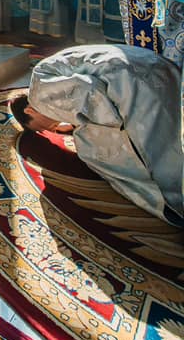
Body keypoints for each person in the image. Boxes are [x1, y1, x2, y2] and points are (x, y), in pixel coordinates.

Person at [10, 44, 184, 225]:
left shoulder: (38, 97)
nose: (50, 130)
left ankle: (171, 199)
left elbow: (94, 94)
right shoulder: (40, 76)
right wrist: (72, 120)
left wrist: (84, 134)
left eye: (40, 128)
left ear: (30, 111)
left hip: (137, 87)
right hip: (156, 66)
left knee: (95, 153)